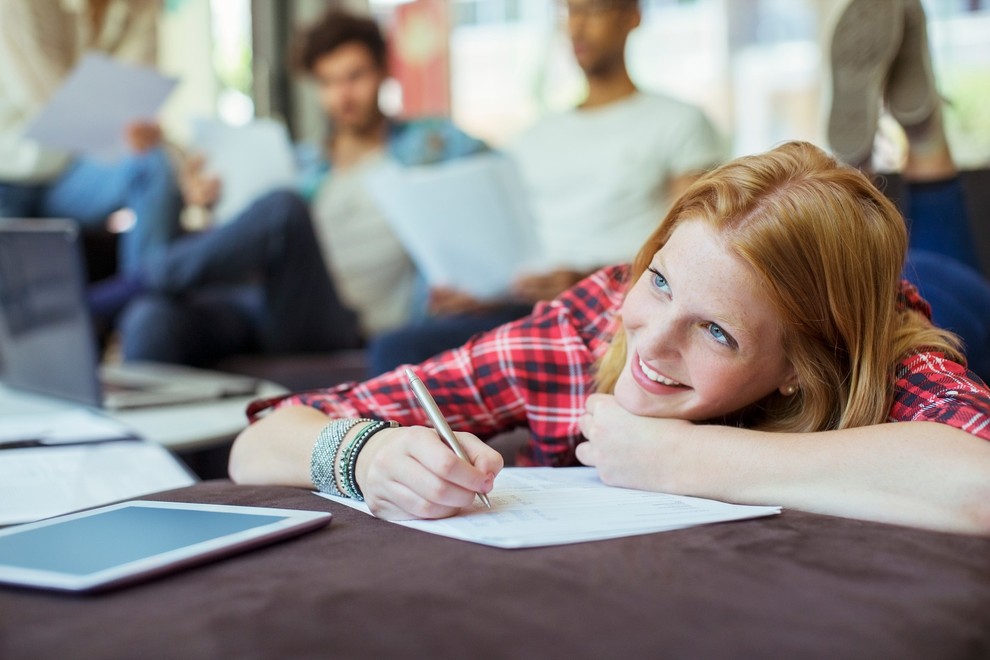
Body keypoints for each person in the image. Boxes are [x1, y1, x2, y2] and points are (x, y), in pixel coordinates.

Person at [229, 140, 990, 536]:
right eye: (658, 280)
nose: (651, 343)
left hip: (928, 299)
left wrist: (686, 458)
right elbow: (256, 444)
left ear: (798, 367)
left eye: (716, 332)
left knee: (951, 272)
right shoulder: (587, 325)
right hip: (821, 280)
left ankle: (913, 155)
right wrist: (368, 454)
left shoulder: (886, 358)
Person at [367, 0, 723, 375]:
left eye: (593, 11)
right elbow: (510, 244)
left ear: (631, 17)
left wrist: (586, 280)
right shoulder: (531, 140)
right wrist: (479, 292)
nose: (577, 27)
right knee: (398, 348)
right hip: (524, 307)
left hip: (610, 305)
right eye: (569, 12)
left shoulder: (678, 122)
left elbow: (694, 253)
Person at [112, 9, 486, 365]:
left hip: (338, 322)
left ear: (384, 71)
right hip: (268, 302)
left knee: (284, 208)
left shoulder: (429, 146)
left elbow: (495, 180)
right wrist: (205, 203)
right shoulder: (303, 164)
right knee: (152, 317)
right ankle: (139, 291)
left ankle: (131, 283)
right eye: (328, 82)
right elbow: (250, 241)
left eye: (355, 76)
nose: (343, 95)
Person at [828, 0, 989, 379]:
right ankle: (861, 164)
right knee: (932, 305)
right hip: (897, 303)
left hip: (910, 309)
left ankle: (915, 134)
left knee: (936, 304)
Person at [0, 0, 183, 275]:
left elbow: (137, 107)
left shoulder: (141, 6)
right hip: (9, 178)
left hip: (70, 175)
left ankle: (146, 304)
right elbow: (50, 105)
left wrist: (180, 159)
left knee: (153, 164)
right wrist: (129, 131)